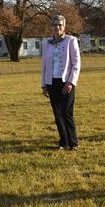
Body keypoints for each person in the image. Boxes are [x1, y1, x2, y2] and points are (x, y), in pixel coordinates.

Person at [41, 15, 81, 150]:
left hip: (66, 82)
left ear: (64, 27)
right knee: (57, 113)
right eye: (54, 25)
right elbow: (44, 65)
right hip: (52, 82)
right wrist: (44, 84)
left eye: (60, 25)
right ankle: (63, 142)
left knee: (67, 112)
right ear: (51, 27)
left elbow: (76, 63)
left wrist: (71, 82)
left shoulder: (71, 40)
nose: (57, 27)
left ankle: (73, 142)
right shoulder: (46, 43)